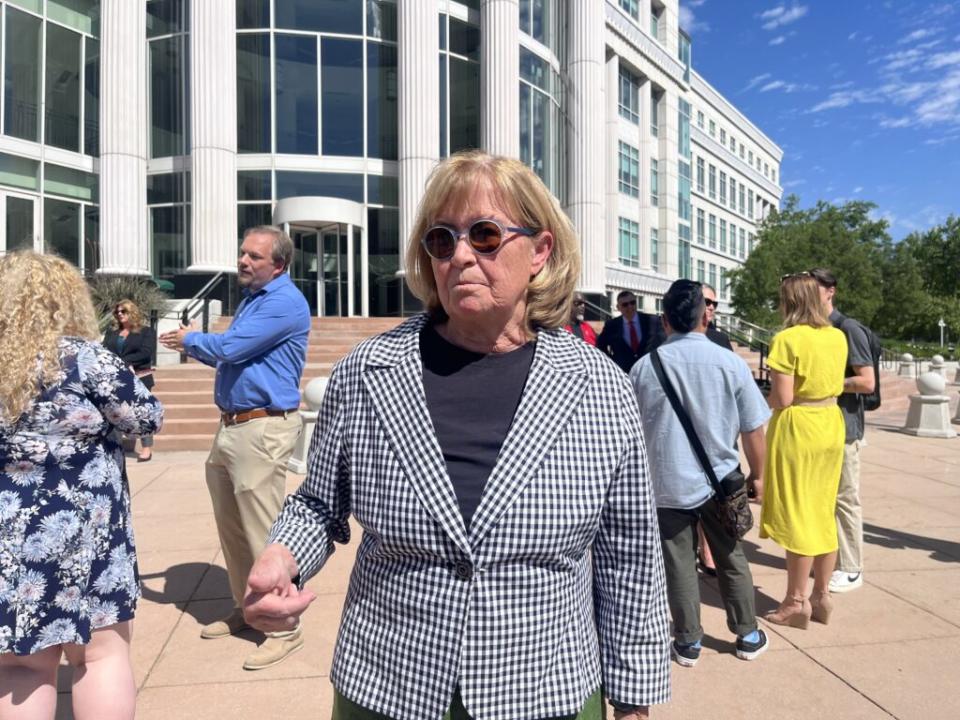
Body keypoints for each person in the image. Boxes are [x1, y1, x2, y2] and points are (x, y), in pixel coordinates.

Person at [242, 151, 671, 720]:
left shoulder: (598, 386)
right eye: (443, 241)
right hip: (391, 685)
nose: (462, 255)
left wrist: (635, 695)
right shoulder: (369, 372)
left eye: (486, 235)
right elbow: (321, 504)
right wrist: (284, 553)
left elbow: (630, 551)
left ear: (540, 251)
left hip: (546, 689)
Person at [0, 251, 163, 720]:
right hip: (87, 530)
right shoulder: (85, 357)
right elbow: (145, 416)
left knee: (21, 667)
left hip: (13, 532)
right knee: (99, 655)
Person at [159, 226, 310, 671]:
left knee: (263, 533)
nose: (243, 261)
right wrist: (199, 345)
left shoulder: (284, 302)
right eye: (242, 253)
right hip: (232, 428)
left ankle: (284, 627)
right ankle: (250, 609)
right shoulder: (253, 300)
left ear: (278, 264)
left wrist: (191, 340)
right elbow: (227, 354)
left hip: (262, 429)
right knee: (232, 528)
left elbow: (232, 347)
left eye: (254, 257)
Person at [631, 280, 770, 668]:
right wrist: (758, 474)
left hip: (665, 481)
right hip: (720, 482)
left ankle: (688, 640)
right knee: (731, 557)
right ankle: (747, 632)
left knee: (677, 563)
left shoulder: (644, 368)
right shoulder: (730, 363)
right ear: (704, 316)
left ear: (665, 320)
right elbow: (753, 429)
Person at [760, 273, 847, 629]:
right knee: (823, 511)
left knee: (799, 514)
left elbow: (782, 398)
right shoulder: (837, 337)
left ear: (790, 301)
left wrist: (762, 398)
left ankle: (796, 601)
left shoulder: (786, 339)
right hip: (830, 420)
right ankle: (821, 595)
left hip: (799, 427)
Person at [810, 268, 875, 595]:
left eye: (815, 288)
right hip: (820, 427)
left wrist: (831, 383)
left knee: (845, 497)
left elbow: (867, 381)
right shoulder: (814, 329)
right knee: (824, 498)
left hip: (845, 428)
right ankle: (831, 558)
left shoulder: (847, 328)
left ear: (830, 291)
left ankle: (851, 567)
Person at [695, 283, 733, 576]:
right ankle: (698, 545)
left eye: (714, 304)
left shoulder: (721, 340)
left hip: (716, 426)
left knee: (713, 491)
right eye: (706, 301)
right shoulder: (670, 337)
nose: (710, 307)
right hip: (685, 426)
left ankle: (708, 548)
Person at [103, 299, 158, 462]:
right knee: (115, 412)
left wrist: (126, 362)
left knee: (141, 412)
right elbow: (104, 350)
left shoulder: (146, 331)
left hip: (139, 377)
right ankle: (115, 446)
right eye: (117, 312)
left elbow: (146, 352)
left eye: (123, 311)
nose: (120, 314)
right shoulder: (112, 332)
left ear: (132, 312)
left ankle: (146, 448)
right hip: (115, 379)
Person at [597, 290, 663, 373]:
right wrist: (611, 362)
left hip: (649, 371)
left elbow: (663, 342)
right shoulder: (611, 325)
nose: (630, 306)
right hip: (623, 373)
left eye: (633, 303)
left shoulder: (653, 321)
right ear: (618, 307)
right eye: (625, 305)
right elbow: (600, 345)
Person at [702, 283, 733, 351]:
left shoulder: (721, 339)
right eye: (707, 302)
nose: (712, 307)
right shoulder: (679, 335)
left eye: (714, 304)